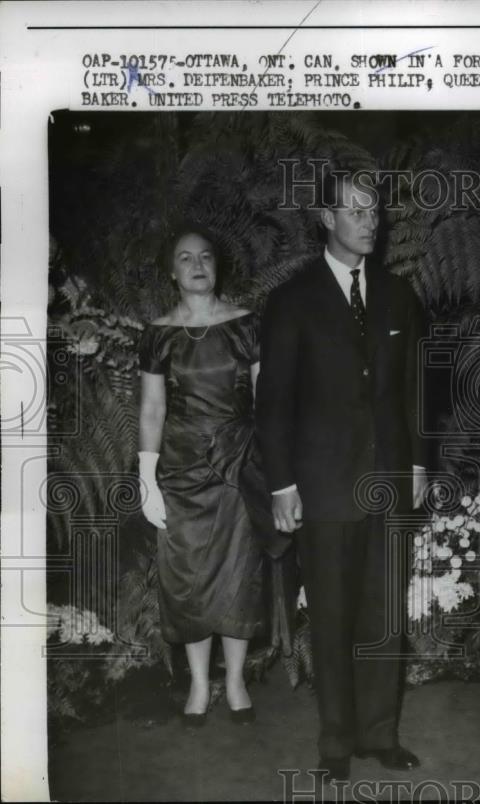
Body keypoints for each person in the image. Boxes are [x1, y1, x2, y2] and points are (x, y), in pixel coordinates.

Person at [256, 168, 427, 783]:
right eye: (355, 211)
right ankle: (334, 744)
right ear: (326, 219)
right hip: (322, 485)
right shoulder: (292, 300)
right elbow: (272, 402)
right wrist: (282, 485)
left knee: (383, 615)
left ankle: (381, 735)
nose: (369, 222)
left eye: (374, 210)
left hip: (386, 481)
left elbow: (413, 389)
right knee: (329, 617)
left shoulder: (398, 295)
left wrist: (417, 462)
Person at [137, 223, 292, 727]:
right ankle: (200, 685)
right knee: (189, 579)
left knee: (238, 576)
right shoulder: (157, 333)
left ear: (217, 265)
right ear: (171, 270)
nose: (197, 265)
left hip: (239, 466)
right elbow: (152, 410)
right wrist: (146, 475)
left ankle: (237, 679)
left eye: (205, 256)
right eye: (185, 257)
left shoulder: (246, 324)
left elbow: (267, 400)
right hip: (180, 473)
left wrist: (278, 473)